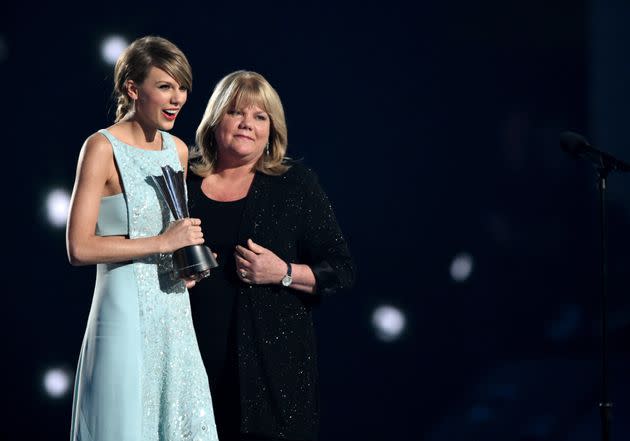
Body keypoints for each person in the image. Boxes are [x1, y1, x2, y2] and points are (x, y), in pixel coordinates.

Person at [187, 70, 355, 441]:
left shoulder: (294, 184)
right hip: (191, 366)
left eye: (259, 116)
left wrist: (282, 272)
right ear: (215, 121)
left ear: (271, 130)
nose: (247, 124)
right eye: (236, 112)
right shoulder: (184, 183)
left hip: (271, 377)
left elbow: (341, 270)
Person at [66, 36, 218, 441]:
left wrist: (186, 261)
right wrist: (163, 243)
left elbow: (172, 233)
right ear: (133, 89)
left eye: (182, 87)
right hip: (122, 311)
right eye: (165, 86)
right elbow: (79, 247)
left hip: (173, 310)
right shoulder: (101, 147)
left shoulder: (179, 151)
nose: (178, 98)